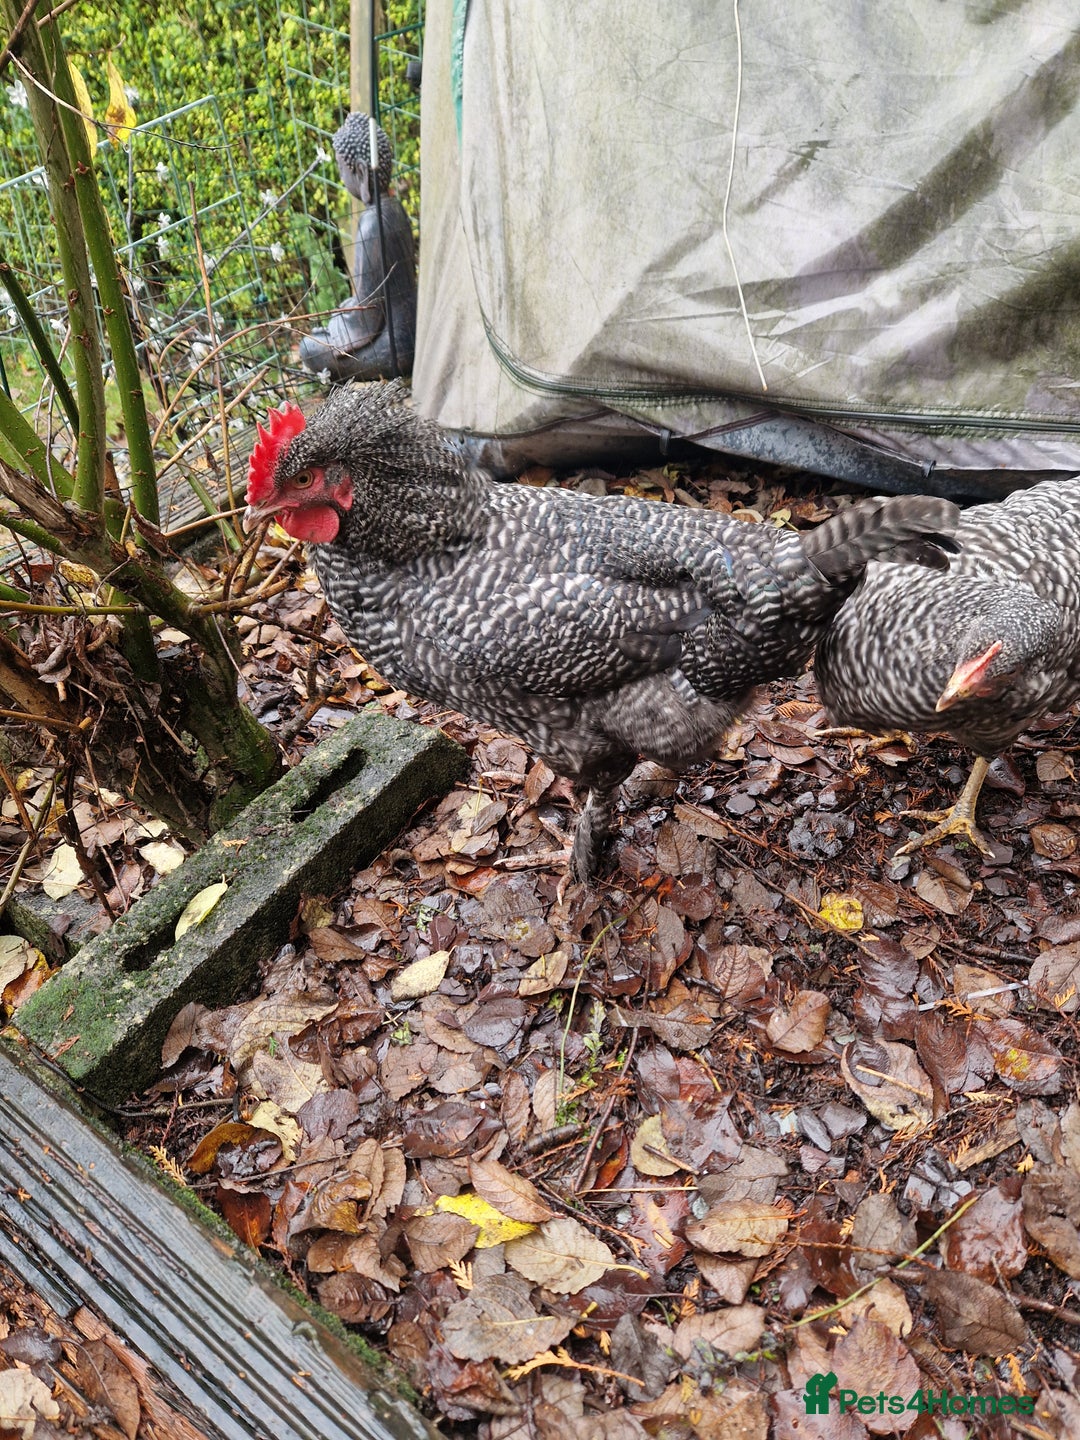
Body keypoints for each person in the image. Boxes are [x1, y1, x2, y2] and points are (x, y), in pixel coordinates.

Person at [299, 113, 417, 381]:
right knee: (323, 335)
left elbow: (368, 318)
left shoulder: (372, 226)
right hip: (412, 328)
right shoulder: (395, 209)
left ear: (361, 172)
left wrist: (338, 324)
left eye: (342, 169)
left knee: (310, 348)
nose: (341, 176)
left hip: (394, 348)